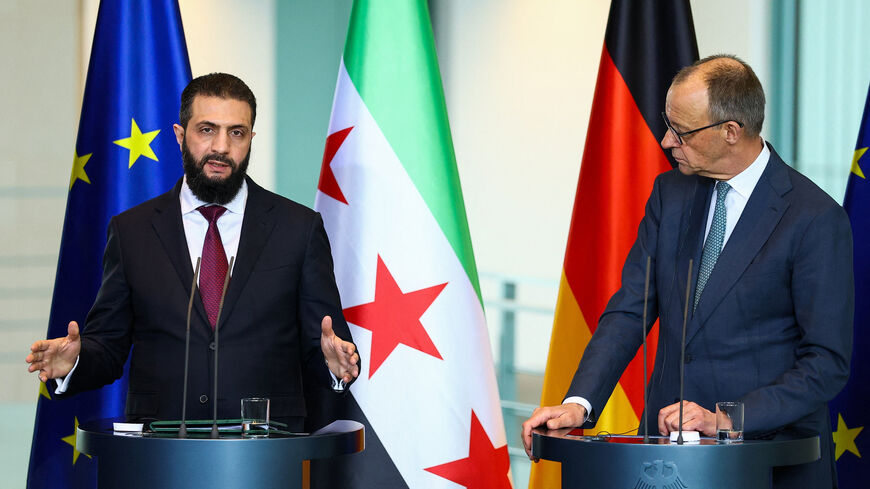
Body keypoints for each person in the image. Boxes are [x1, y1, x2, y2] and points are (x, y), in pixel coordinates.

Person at [522, 55, 853, 488]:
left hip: (767, 461)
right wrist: (579, 404)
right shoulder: (670, 193)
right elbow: (629, 310)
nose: (665, 140)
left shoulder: (813, 217)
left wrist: (725, 418)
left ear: (731, 132)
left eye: (681, 131)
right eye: (668, 123)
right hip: (663, 461)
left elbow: (826, 362)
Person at [26, 73, 360, 431]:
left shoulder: (298, 229)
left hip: (267, 451)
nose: (221, 147)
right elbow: (108, 344)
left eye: (236, 132)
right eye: (206, 130)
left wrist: (334, 366)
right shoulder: (132, 231)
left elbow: (324, 342)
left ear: (250, 139)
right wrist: (76, 361)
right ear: (180, 135)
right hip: (163, 450)